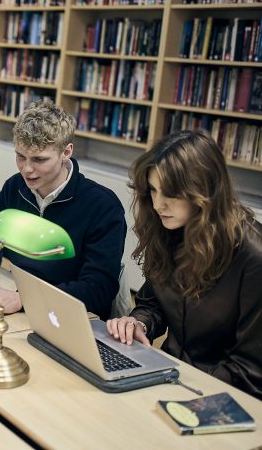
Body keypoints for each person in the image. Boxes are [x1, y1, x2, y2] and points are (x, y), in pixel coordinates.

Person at [107, 130, 262, 399]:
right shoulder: (170, 228)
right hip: (170, 374)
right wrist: (138, 324)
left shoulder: (253, 257)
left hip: (220, 395)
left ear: (204, 191)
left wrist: (181, 388)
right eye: (153, 190)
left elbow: (251, 369)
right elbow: (152, 304)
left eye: (170, 194)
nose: (157, 204)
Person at [0, 98, 126, 319]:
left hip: (68, 317)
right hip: (19, 301)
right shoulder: (15, 187)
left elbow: (98, 289)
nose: (27, 169)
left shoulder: (102, 206)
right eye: (20, 156)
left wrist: (23, 299)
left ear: (66, 152)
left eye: (39, 159)